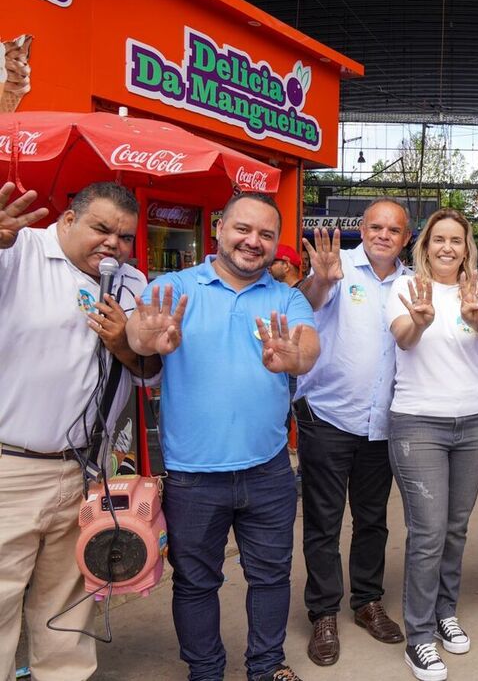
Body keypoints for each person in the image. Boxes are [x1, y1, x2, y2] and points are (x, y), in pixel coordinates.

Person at [126, 192, 320, 681]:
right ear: (219, 228)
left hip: (270, 470)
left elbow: (307, 349)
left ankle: (266, 666)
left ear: (276, 243)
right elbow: (138, 332)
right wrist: (147, 341)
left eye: (266, 234)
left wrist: (292, 359)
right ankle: (206, 672)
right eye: (243, 229)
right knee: (194, 582)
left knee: (272, 577)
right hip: (193, 475)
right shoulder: (174, 287)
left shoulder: (286, 297)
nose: (253, 242)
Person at [0, 181, 158, 681]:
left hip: (85, 473)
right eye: (102, 228)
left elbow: (147, 373)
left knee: (69, 604)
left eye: (126, 236)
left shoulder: (132, 284)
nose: (114, 244)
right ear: (68, 221)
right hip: (12, 468)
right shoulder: (19, 250)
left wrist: (123, 344)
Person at [292, 200, 412, 666]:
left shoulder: (410, 282)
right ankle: (323, 612)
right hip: (328, 416)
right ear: (362, 230)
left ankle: (366, 601)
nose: (383, 235)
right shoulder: (336, 268)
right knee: (323, 521)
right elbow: (305, 302)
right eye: (376, 226)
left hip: (382, 422)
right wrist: (320, 278)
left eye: (394, 229)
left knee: (373, 519)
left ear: (406, 237)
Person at [384, 208, 478, 681]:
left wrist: (477, 317)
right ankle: (420, 636)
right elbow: (405, 341)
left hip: (472, 422)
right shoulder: (406, 287)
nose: (447, 247)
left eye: (457, 240)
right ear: (425, 245)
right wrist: (421, 321)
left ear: (466, 247)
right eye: (439, 239)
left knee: (455, 528)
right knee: (428, 533)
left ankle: (444, 611)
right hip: (418, 424)